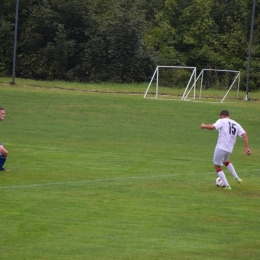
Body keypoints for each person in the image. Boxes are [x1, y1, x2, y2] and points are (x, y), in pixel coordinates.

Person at [200, 110, 251, 190]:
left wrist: (204, 126)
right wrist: (246, 148)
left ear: (222, 116)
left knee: (217, 166)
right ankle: (237, 178)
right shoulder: (236, 124)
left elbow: (213, 127)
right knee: (226, 161)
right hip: (229, 149)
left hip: (221, 147)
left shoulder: (222, 121)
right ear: (229, 116)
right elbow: (245, 135)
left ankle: (227, 186)